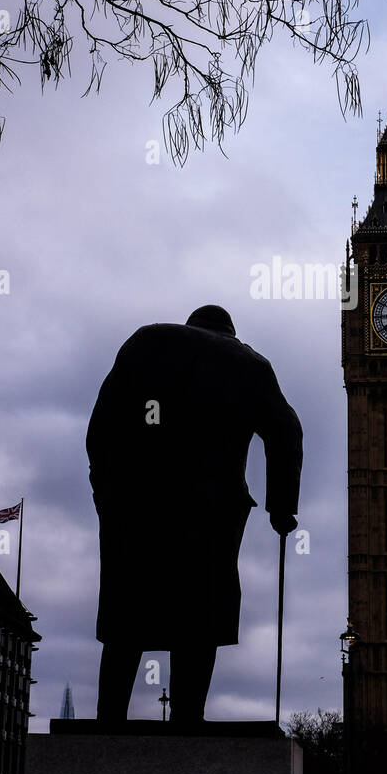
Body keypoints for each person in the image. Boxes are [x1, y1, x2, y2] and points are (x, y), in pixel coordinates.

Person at [87, 305, 303, 725]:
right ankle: (188, 719)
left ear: (191, 324)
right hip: (213, 507)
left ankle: (108, 720)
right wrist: (282, 508)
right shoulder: (250, 363)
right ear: (230, 331)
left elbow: (102, 423)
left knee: (127, 611)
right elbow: (287, 432)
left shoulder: (146, 339)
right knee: (200, 613)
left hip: (137, 502)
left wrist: (106, 488)